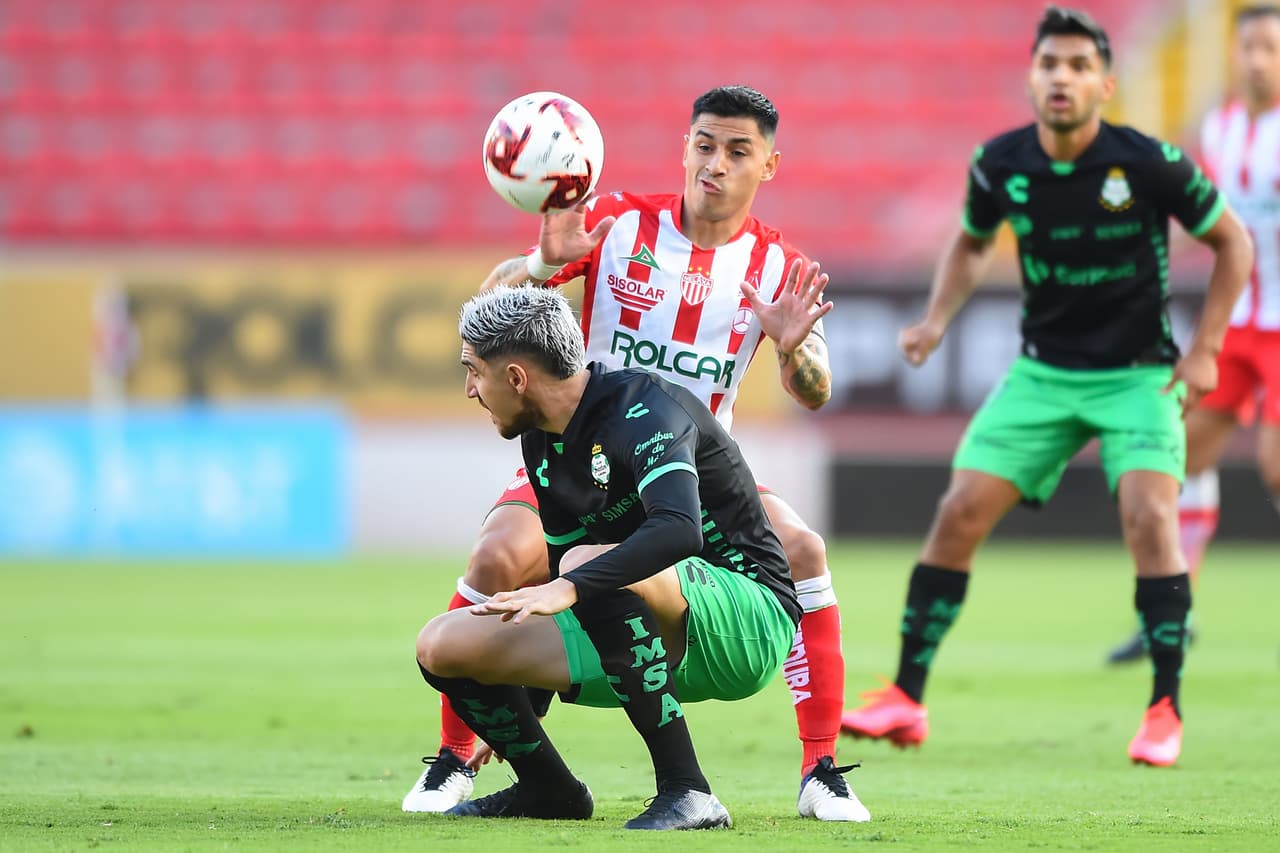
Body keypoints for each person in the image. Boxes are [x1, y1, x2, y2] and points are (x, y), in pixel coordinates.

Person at [405, 85, 864, 820]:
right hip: (581, 463)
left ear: (769, 165)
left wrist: (792, 349)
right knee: (497, 557)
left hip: (699, 479)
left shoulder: (780, 266)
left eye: (737, 151)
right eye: (704, 144)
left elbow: (815, 389)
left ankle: (821, 770)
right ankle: (457, 757)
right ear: (685, 147)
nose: (714, 163)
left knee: (803, 549)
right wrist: (537, 263)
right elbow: (491, 313)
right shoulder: (616, 225)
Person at [839, 6, 1253, 767]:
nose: (1060, 78)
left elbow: (1235, 240)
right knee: (959, 511)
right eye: (1048, 65)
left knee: (1149, 517)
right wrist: (934, 319)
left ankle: (1164, 707)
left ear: (1105, 83)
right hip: (1043, 372)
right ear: (1031, 78)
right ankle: (906, 694)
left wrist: (1206, 352)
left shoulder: (1150, 162)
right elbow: (969, 240)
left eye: (1076, 66)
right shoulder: (1000, 163)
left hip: (1137, 374)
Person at [414, 284, 822, 829]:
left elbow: (679, 530)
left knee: (582, 565)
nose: (469, 390)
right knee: (442, 644)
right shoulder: (540, 438)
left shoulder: (647, 409)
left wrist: (571, 584)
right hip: (643, 630)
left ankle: (688, 790)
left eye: (473, 370)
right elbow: (565, 560)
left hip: (748, 618)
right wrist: (520, 715)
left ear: (515, 377)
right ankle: (547, 791)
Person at [1107, 3, 1280, 665]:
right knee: (1175, 456)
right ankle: (1172, 613)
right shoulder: (1222, 126)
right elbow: (1199, 214)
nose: (1257, 59)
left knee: (1274, 466)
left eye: (1270, 47)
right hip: (1235, 325)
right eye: (1249, 48)